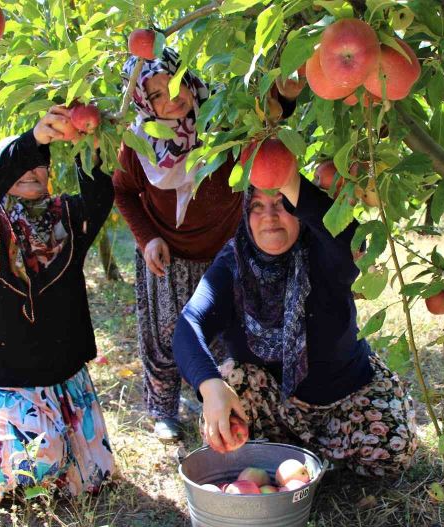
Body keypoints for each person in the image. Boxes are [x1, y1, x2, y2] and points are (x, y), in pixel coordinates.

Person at [173, 168, 419, 477]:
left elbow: (347, 237)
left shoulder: (326, 251)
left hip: (345, 397)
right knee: (229, 390)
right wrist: (210, 387)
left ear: (300, 211)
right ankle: (291, 458)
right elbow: (188, 326)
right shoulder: (233, 263)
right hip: (274, 406)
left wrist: (286, 173)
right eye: (257, 206)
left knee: (394, 449)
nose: (270, 216)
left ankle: (304, 462)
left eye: (283, 204)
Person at [113, 48, 302, 442]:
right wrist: (148, 239)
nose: (173, 98)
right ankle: (164, 409)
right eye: (158, 94)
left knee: (225, 336)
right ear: (143, 103)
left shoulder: (219, 118)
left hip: (226, 250)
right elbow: (124, 192)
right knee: (166, 336)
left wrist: (286, 90)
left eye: (176, 83)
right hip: (169, 253)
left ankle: (219, 403)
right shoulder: (139, 142)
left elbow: (267, 118)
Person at [0, 106, 115, 506]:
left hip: (60, 376)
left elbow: (99, 197)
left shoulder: (67, 219)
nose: (29, 170)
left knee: (90, 479)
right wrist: (31, 141)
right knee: (33, 461)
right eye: (19, 161)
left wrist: (86, 143)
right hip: (0, 375)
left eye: (39, 163)